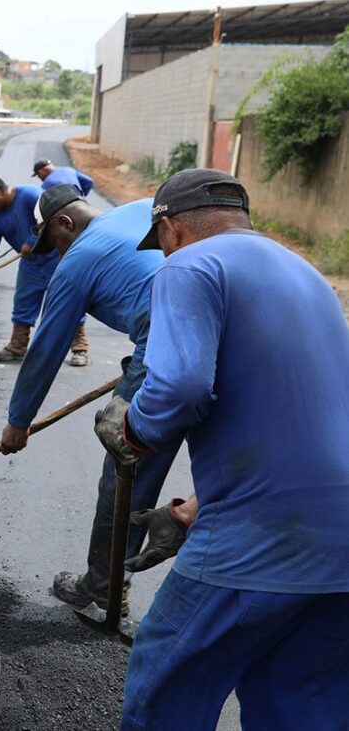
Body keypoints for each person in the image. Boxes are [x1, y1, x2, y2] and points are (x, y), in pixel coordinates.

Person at [93, 169, 349, 729]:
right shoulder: (309, 277)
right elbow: (311, 422)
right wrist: (203, 505)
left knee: (167, 689)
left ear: (172, 228)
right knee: (300, 704)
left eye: (159, 243)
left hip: (261, 542)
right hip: (340, 551)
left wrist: (132, 431)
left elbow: (180, 387)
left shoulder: (190, 264)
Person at [0, 183, 181, 614]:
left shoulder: (77, 261)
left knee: (125, 464)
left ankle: (102, 585)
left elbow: (45, 349)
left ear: (65, 222)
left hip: (161, 351)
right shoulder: (137, 208)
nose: (55, 252)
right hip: (212, 327)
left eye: (53, 242)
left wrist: (18, 422)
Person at [0, 176, 89, 365]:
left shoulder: (30, 195)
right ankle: (17, 346)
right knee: (23, 303)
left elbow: (49, 216)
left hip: (57, 259)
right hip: (31, 265)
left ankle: (80, 348)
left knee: (68, 301)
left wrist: (31, 241)